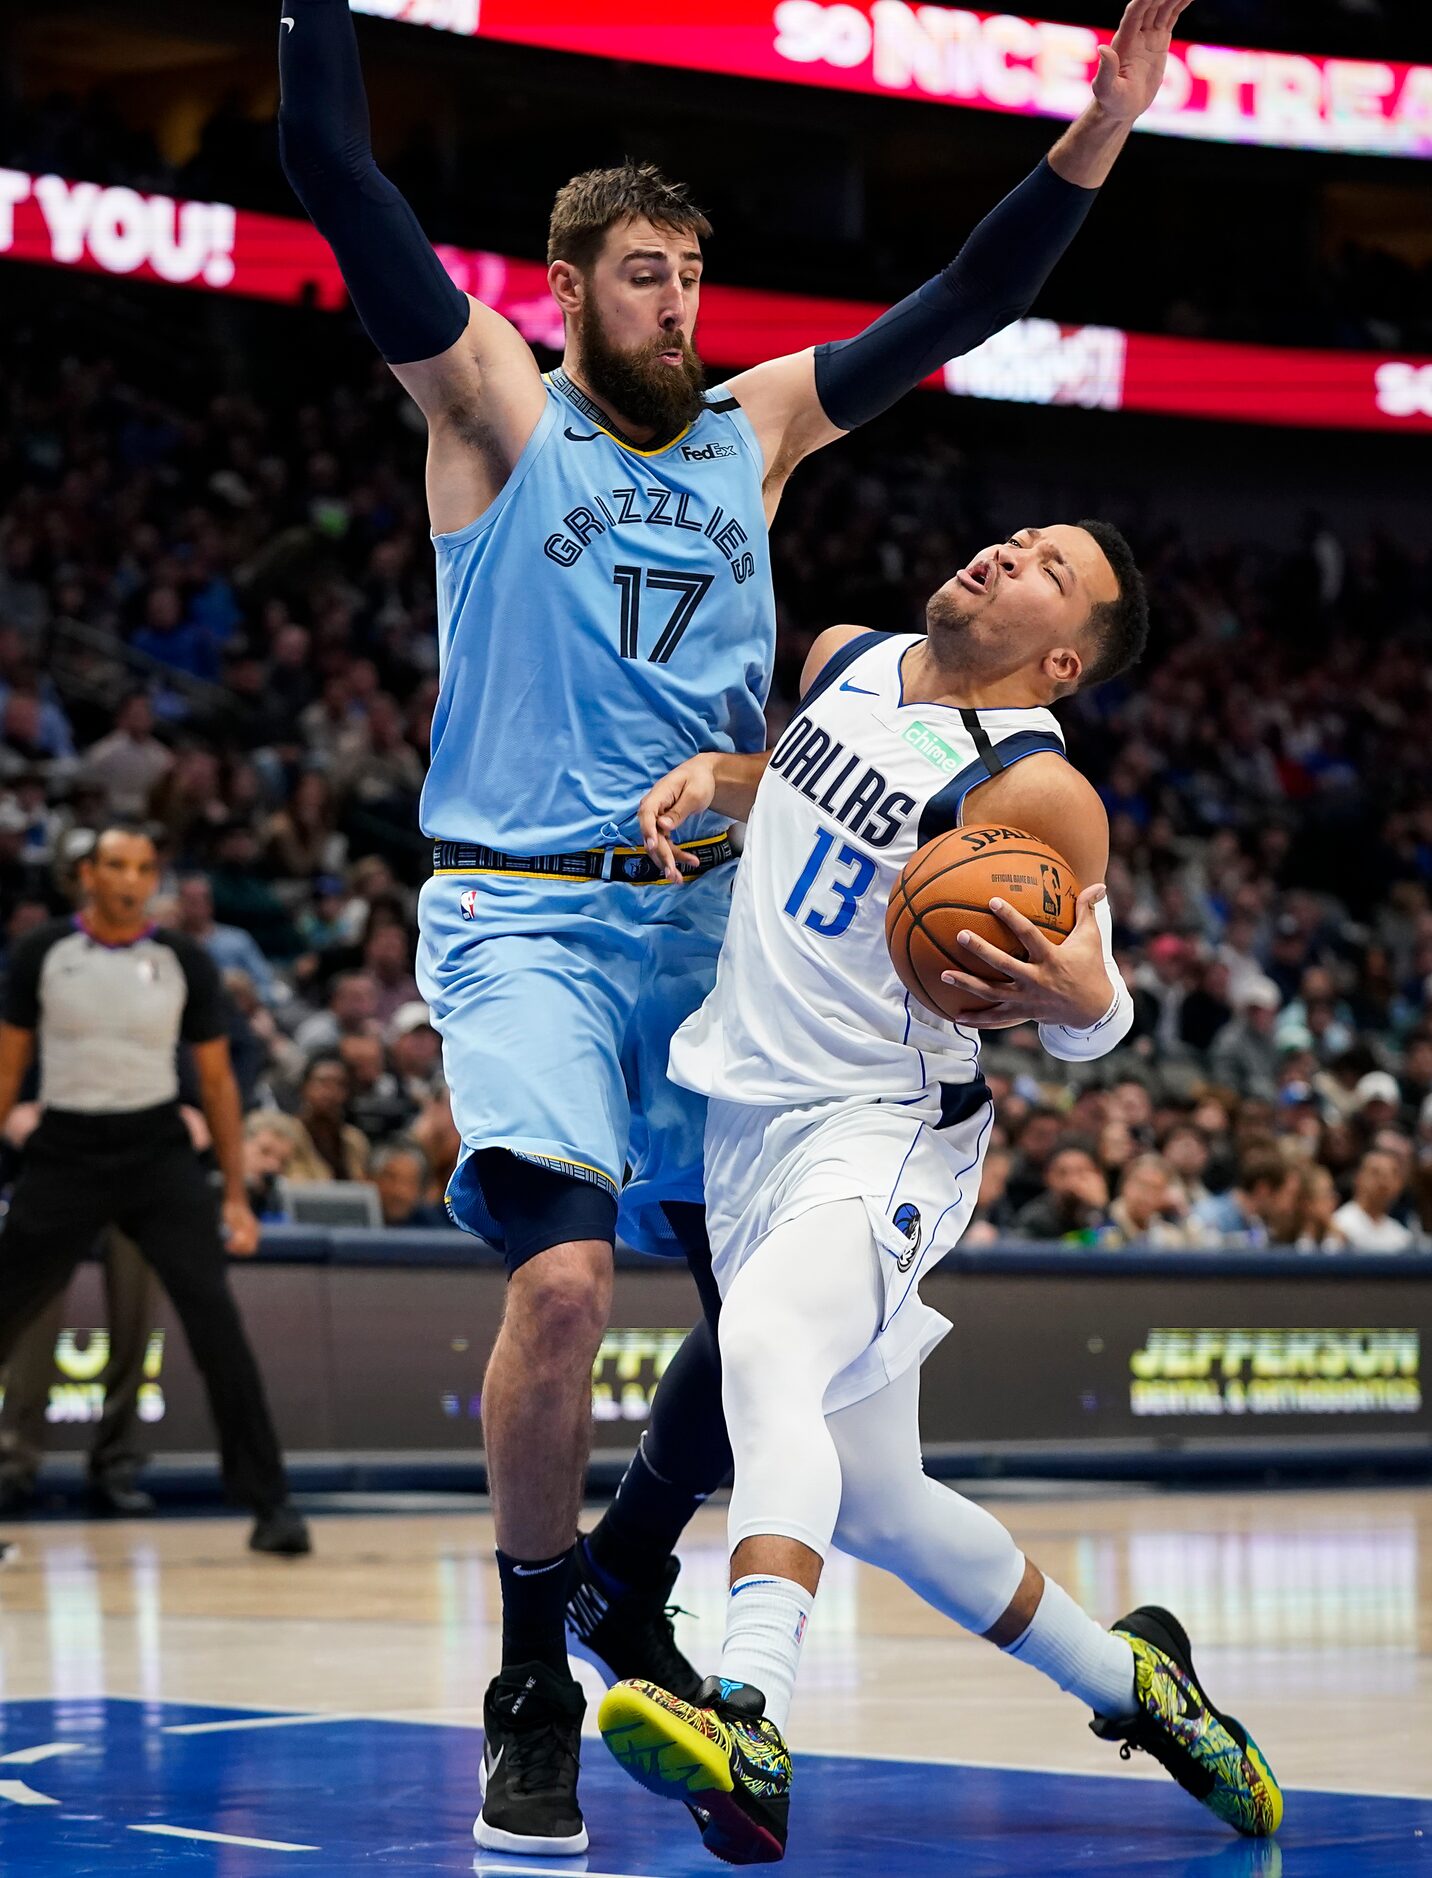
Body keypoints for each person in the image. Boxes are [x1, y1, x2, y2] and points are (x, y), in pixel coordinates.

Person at [280, 0, 1193, 1853]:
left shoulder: (753, 429)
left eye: (694, 273)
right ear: (563, 289)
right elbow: (331, 169)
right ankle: (539, 1673)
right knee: (558, 1280)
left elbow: (959, 302)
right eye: (640, 273)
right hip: (525, 915)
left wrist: (1097, 128)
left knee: (758, 1322)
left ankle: (632, 1581)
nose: (679, 303)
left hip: (716, 936)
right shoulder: (488, 401)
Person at [597, 519, 1283, 1862]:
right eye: (1018, 537)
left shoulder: (1034, 789)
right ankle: (1141, 1687)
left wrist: (1093, 1002)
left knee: (764, 1355)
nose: (1006, 553)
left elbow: (1088, 1006)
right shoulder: (849, 653)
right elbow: (805, 791)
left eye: (1044, 567)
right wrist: (725, 780)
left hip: (884, 1127)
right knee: (882, 1504)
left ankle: (747, 1711)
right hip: (749, 1122)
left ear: (1064, 655)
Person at [0, 826, 310, 1555]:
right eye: (115, 865)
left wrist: (234, 1195)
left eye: (143, 867)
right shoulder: (44, 952)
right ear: (86, 874)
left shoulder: (183, 960)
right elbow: (7, 1069)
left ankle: (271, 1506)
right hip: (64, 1150)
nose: (130, 880)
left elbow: (216, 1083)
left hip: (157, 1156)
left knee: (216, 1327)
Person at [1331, 1148, 1416, 1252]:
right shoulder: (1339, 1225)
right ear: (1358, 1179)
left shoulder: (1401, 1236)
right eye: (1375, 1173)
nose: (1384, 1182)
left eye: (1391, 1175)